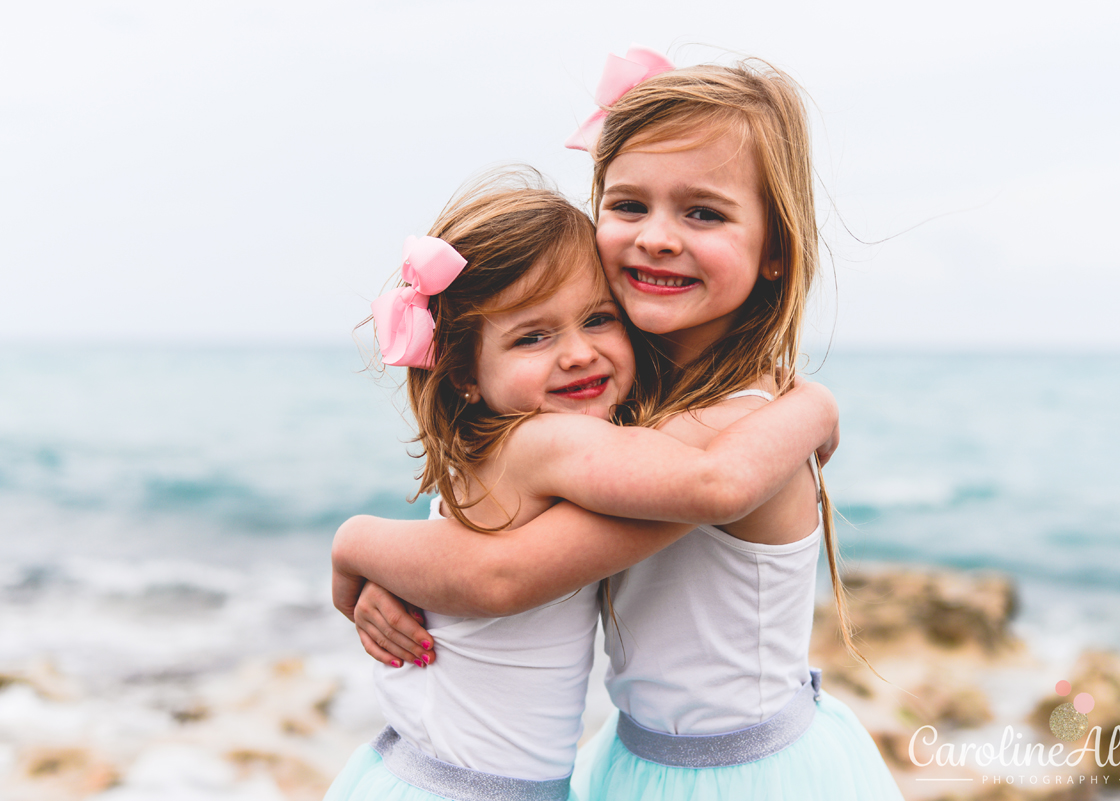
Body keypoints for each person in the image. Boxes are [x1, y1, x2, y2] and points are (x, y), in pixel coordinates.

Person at [325, 171, 840, 801]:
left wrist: (371, 555)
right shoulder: (548, 443)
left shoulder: (509, 440)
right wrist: (813, 407)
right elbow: (710, 484)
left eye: (598, 319)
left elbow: (471, 564)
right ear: (463, 370)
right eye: (533, 337)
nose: (576, 354)